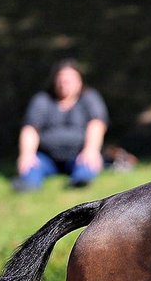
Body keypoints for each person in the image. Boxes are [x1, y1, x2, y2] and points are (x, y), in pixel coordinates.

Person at [13, 59, 108, 192]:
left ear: (79, 82)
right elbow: (30, 129)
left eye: (69, 81)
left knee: (86, 167)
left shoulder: (89, 98)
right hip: (47, 157)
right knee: (31, 169)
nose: (64, 84)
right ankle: (28, 185)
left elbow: (97, 124)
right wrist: (26, 154)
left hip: (78, 155)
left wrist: (91, 149)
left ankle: (79, 182)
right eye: (61, 80)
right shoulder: (42, 100)